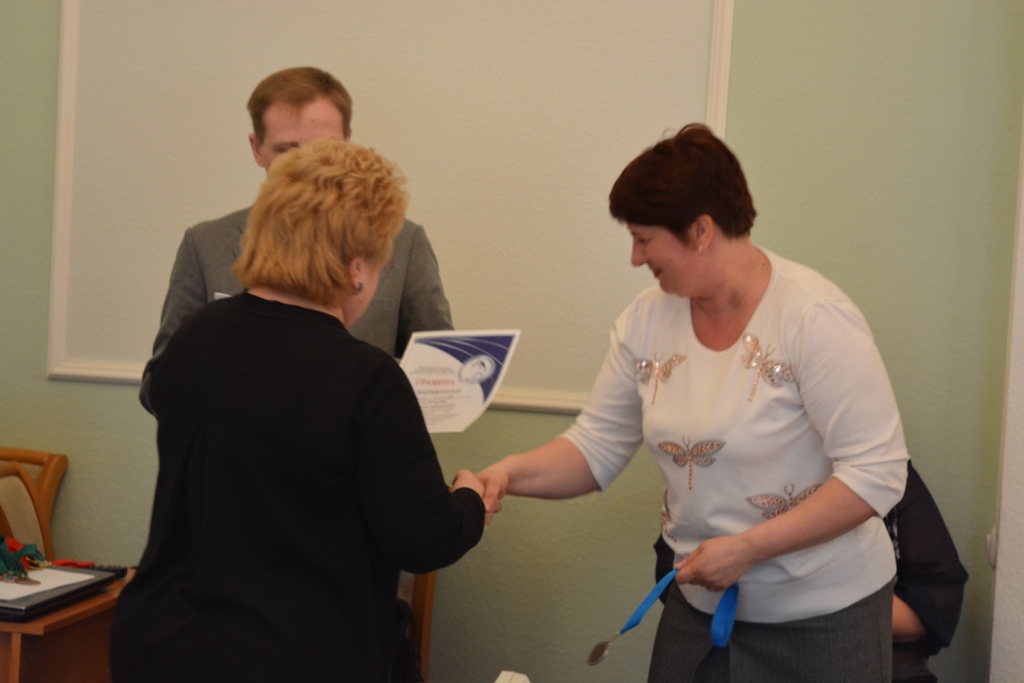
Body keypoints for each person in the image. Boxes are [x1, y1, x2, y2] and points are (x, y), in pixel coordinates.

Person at [477, 124, 908, 682]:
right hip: (698, 606)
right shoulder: (645, 320)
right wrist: (507, 474)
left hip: (825, 621)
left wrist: (749, 548)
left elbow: (876, 473)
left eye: (644, 238)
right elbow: (595, 448)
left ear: (701, 231)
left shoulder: (813, 317)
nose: (635, 257)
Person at [110, 139, 485, 683]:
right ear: (357, 267)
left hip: (161, 644)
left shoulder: (192, 342)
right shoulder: (367, 378)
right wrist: (471, 499)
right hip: (298, 655)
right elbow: (424, 538)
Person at [141, 66, 451, 410]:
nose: (308, 168)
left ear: (348, 143)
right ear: (257, 149)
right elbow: (159, 387)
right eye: (288, 151)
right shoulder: (205, 244)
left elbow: (440, 372)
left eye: (324, 149)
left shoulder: (404, 241)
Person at [652, 458, 966, 683]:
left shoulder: (878, 472)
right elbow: (675, 572)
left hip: (861, 647)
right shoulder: (718, 476)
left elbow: (935, 603)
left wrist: (812, 602)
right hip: (734, 644)